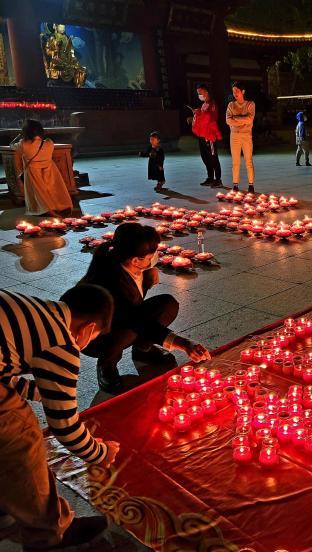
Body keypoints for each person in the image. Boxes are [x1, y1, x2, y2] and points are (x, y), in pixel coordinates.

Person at [0, 284, 119, 550]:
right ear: (88, 328)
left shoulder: (36, 310)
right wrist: (101, 453)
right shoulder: (62, 342)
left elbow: (4, 370)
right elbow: (65, 428)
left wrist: (40, 390)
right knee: (20, 436)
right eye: (93, 337)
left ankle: (7, 502)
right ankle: (51, 533)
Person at [79, 223, 211, 393]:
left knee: (167, 304)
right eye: (150, 256)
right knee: (132, 328)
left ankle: (143, 348)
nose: (153, 258)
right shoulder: (111, 279)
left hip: (127, 318)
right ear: (135, 260)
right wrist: (183, 344)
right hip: (96, 337)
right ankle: (106, 364)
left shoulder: (126, 260)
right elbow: (136, 320)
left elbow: (136, 309)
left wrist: (148, 271)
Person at [11, 119, 73, 216]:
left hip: (33, 171)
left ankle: (46, 209)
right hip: (49, 169)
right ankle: (60, 206)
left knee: (40, 193)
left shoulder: (23, 144)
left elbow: (12, 146)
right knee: (52, 190)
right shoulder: (49, 143)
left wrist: (19, 136)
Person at [190, 83, 223, 188]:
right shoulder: (204, 104)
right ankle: (210, 178)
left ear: (206, 91)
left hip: (210, 136)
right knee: (205, 157)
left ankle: (218, 179)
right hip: (202, 135)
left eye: (200, 92)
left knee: (213, 157)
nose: (199, 94)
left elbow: (211, 119)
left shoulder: (212, 104)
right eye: (198, 93)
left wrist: (200, 113)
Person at [226, 81, 256, 193]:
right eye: (233, 91)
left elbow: (250, 119)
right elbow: (228, 120)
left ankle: (251, 184)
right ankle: (235, 184)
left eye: (237, 91)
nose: (235, 93)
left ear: (243, 91)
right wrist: (243, 120)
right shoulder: (231, 105)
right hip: (234, 136)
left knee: (248, 160)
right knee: (235, 161)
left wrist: (236, 118)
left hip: (247, 136)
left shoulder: (250, 104)